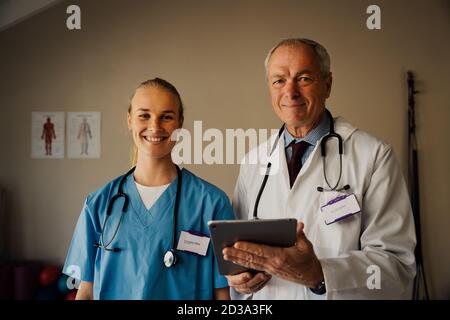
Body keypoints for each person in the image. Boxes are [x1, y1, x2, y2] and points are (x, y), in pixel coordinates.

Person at [223, 38, 416, 299]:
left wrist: (320, 274)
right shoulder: (252, 162)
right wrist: (239, 278)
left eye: (303, 78)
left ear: (327, 84)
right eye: (279, 80)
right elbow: (238, 251)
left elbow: (396, 265)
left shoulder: (373, 156)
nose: (290, 92)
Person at [63, 78, 233, 300]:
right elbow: (85, 292)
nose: (155, 126)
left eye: (166, 117)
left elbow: (223, 294)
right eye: (144, 115)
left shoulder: (212, 203)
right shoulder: (99, 204)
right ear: (130, 120)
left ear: (180, 123)